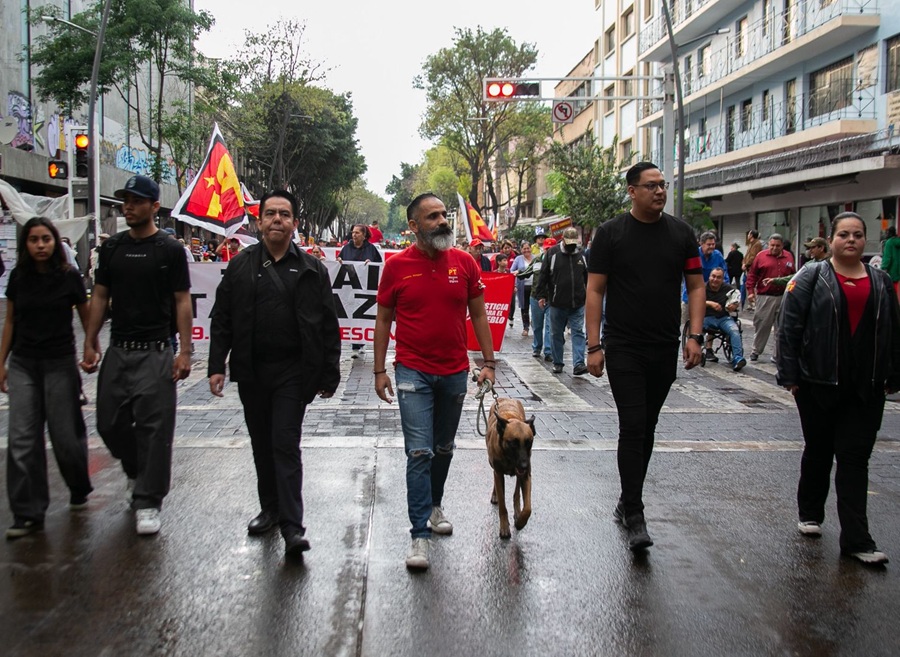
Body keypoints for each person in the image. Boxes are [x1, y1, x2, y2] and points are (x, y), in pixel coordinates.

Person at [209, 190, 340, 559]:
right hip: (251, 371)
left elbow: (329, 326)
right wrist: (216, 365)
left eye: (284, 214)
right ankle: (269, 509)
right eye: (270, 214)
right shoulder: (241, 265)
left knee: (284, 444)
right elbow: (222, 318)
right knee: (262, 445)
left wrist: (329, 374)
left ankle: (293, 527)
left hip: (293, 374)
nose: (277, 220)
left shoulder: (313, 269)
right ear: (260, 221)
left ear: (295, 223)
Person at [585, 161, 704, 552]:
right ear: (632, 191)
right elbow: (596, 291)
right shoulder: (610, 234)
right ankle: (635, 513)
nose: (659, 191)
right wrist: (593, 345)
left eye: (663, 185)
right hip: (623, 346)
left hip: (664, 345)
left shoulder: (682, 234)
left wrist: (695, 336)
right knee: (633, 424)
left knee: (648, 428)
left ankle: (626, 499)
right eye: (651, 185)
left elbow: (696, 286)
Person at [373, 193, 495, 571]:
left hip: (455, 372)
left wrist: (488, 363)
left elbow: (478, 316)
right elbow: (382, 320)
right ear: (413, 226)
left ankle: (435, 505)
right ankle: (418, 536)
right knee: (419, 451)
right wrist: (379, 370)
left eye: (444, 215)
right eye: (433, 216)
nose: (443, 221)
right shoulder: (395, 267)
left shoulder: (464, 263)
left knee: (443, 447)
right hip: (412, 372)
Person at [777, 212, 899, 566]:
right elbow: (790, 328)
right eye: (843, 234)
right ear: (831, 240)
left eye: (858, 235)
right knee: (819, 449)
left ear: (865, 240)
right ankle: (811, 512)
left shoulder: (880, 281)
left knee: (854, 458)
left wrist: (894, 373)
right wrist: (790, 375)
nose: (851, 240)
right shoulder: (811, 277)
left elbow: (893, 330)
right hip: (818, 382)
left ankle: (858, 541)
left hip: (866, 387)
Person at [81, 174, 193, 536]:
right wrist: (89, 339)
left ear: (153, 206)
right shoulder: (112, 249)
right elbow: (99, 296)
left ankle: (148, 499)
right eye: (125, 200)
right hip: (118, 350)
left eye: (136, 200)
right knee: (108, 423)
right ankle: (135, 468)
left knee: (155, 428)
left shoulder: (170, 250)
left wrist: (185, 352)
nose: (128, 206)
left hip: (156, 350)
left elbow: (182, 301)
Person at [1, 217, 93, 538]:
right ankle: (28, 512)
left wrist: (90, 348)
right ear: (26, 244)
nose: (40, 245)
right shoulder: (18, 277)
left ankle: (79, 486)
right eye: (34, 240)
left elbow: (87, 317)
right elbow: (10, 322)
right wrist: (2, 363)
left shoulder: (69, 278)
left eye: (46, 239)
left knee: (65, 437)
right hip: (23, 364)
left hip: (59, 363)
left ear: (55, 243)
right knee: (22, 439)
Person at [535, 227, 588, 376]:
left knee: (578, 332)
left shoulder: (581, 254)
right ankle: (558, 363)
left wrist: (588, 295)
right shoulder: (552, 253)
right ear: (563, 240)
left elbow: (587, 276)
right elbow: (543, 275)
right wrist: (541, 295)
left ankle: (579, 364)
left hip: (577, 303)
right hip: (557, 303)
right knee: (556, 334)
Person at [745, 234, 794, 362]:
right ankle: (756, 350)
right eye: (772, 245)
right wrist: (750, 292)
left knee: (781, 327)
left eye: (777, 246)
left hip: (783, 296)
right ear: (769, 244)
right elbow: (752, 275)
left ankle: (777, 354)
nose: (774, 248)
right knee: (762, 324)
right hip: (765, 296)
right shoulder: (761, 256)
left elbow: (793, 276)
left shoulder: (789, 256)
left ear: (782, 246)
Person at [338, 224, 382, 358]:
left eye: (357, 233)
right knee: (351, 311)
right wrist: (339, 261)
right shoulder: (346, 248)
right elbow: (339, 261)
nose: (354, 235)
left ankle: (361, 343)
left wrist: (371, 263)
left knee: (362, 313)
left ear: (364, 235)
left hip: (365, 289)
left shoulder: (371, 249)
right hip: (349, 287)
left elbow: (379, 266)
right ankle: (354, 345)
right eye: (353, 232)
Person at [703, 267, 745, 371]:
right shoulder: (703, 288)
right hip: (706, 317)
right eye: (713, 276)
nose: (715, 279)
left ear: (722, 279)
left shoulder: (728, 289)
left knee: (734, 330)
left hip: (723, 318)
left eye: (718, 277)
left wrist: (734, 305)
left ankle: (738, 358)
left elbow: (736, 300)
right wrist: (710, 303)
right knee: (698, 328)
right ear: (709, 277)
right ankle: (701, 350)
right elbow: (695, 302)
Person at [763, 237, 829, 288]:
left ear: (821, 248)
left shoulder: (832, 263)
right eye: (809, 248)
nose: (810, 250)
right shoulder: (809, 265)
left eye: (813, 247)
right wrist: (775, 280)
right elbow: (797, 276)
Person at [510, 243, 535, 337]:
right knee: (524, 308)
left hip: (534, 287)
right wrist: (517, 272)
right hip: (522, 286)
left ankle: (534, 323)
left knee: (535, 307)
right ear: (521, 250)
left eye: (528, 248)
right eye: (524, 249)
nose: (526, 250)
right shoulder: (518, 259)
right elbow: (512, 271)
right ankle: (526, 327)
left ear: (531, 249)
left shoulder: (536, 258)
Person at [742, 229, 763, 309]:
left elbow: (753, 257)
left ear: (751, 235)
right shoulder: (750, 244)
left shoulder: (757, 244)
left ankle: (753, 303)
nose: (747, 235)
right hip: (747, 268)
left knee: (752, 285)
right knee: (746, 285)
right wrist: (743, 263)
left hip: (752, 268)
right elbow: (747, 255)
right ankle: (749, 303)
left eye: (749, 234)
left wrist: (746, 264)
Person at [880, 225, 900, 300]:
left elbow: (887, 258)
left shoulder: (889, 243)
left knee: (892, 295)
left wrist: (883, 268)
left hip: (892, 273)